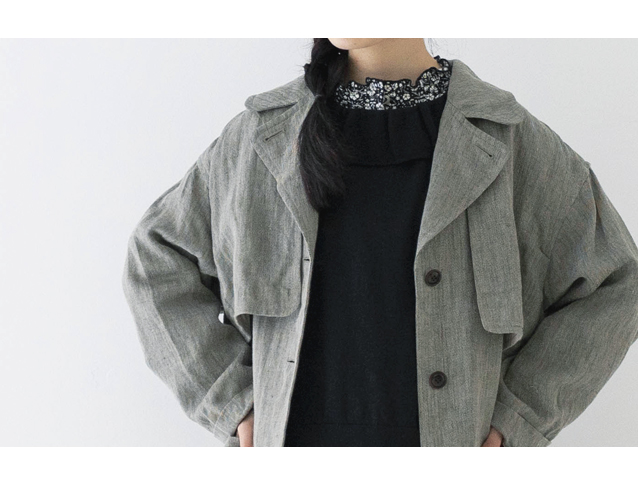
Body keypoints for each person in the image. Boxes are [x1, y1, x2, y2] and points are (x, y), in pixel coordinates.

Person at [122, 39, 638, 447]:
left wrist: (519, 419)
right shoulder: (262, 138)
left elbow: (618, 282)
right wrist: (231, 404)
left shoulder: (507, 141)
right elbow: (156, 258)